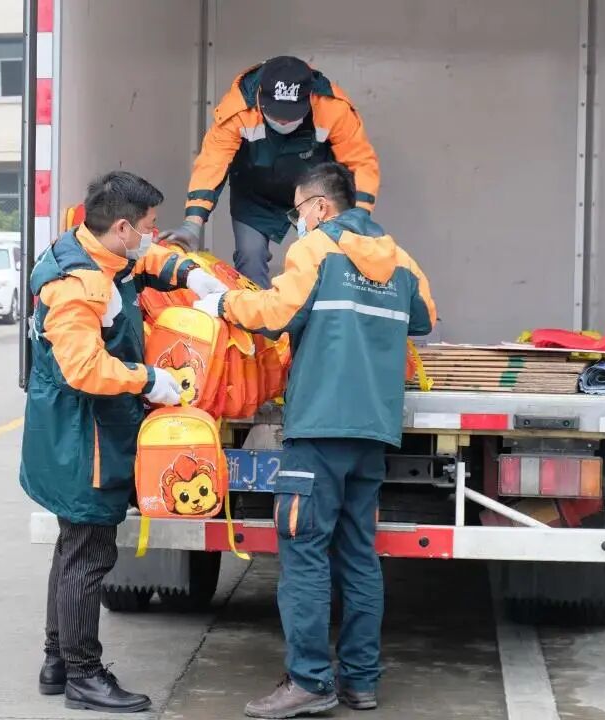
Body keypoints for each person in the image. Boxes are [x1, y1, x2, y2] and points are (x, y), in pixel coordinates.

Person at [193, 162, 436, 717]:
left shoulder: (315, 249)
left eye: (298, 209)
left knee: (303, 552)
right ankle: (361, 682)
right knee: (358, 555)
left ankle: (309, 681)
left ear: (321, 207)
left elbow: (275, 313)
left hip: (320, 426)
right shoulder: (400, 258)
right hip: (373, 430)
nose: (296, 220)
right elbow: (423, 318)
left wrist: (222, 303)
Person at [20, 171, 227, 714]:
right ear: (121, 227)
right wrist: (148, 379)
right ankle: (84, 676)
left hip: (78, 431)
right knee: (89, 553)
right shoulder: (78, 287)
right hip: (81, 438)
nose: (152, 235)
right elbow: (85, 368)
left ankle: (57, 661)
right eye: (148, 227)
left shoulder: (99, 252)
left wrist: (190, 274)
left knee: (73, 547)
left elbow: (147, 261)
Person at [161, 56, 380, 289]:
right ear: (261, 97)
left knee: (328, 255)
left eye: (292, 114)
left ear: (309, 98)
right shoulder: (239, 107)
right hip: (255, 194)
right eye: (276, 113)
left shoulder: (332, 106)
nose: (284, 121)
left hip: (314, 194)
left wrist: (358, 218)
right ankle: (254, 312)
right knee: (250, 256)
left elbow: (360, 163)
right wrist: (192, 224)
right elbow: (211, 163)